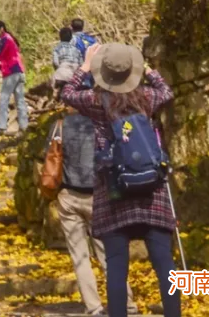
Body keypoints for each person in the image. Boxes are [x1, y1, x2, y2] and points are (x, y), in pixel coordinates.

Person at [63, 42, 181, 317]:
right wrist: (150, 70)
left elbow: (67, 93)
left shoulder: (96, 101)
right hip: (152, 191)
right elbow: (167, 91)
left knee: (116, 266)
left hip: (114, 192)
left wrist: (83, 66)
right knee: (164, 263)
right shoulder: (147, 98)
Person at [48, 64, 140, 317]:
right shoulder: (103, 124)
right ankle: (127, 305)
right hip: (99, 197)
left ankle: (94, 307)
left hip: (68, 197)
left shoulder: (59, 126)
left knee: (80, 257)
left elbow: (51, 158)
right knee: (110, 254)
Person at [0, 21, 28, 133]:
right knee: (20, 100)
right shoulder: (11, 39)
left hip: (11, 73)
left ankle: (1, 126)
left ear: (1, 28)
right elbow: (8, 57)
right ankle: (24, 126)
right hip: (19, 72)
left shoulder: (5, 39)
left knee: (4, 99)